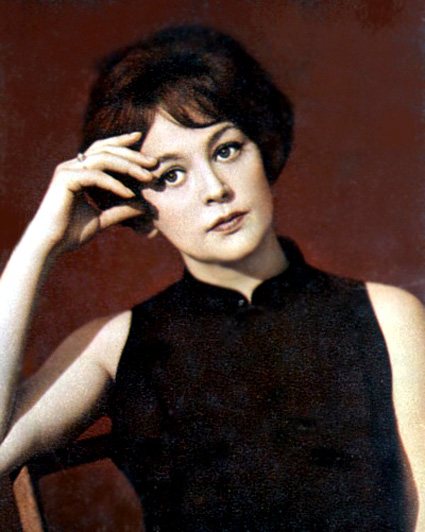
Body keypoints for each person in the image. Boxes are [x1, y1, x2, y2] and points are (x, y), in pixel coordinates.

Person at [0, 25, 424, 531]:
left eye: (226, 150)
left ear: (263, 152)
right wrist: (39, 245)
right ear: (140, 208)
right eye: (170, 175)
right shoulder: (113, 344)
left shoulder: (387, 315)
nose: (215, 189)